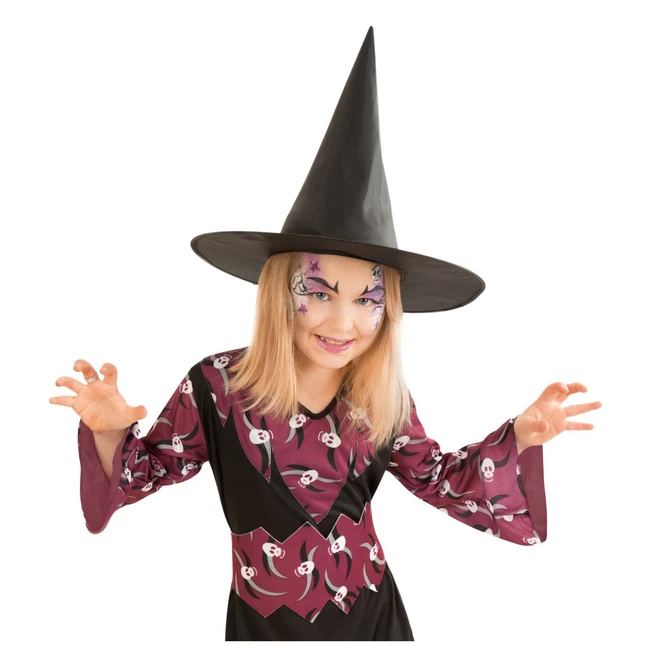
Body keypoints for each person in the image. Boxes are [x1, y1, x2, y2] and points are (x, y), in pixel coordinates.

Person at [50, 28, 601, 641]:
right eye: (318, 292)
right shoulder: (217, 388)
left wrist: (520, 436)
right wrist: (109, 432)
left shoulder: (383, 401)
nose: (343, 323)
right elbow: (145, 471)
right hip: (262, 630)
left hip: (375, 627)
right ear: (280, 292)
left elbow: (441, 480)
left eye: (367, 300)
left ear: (388, 310)